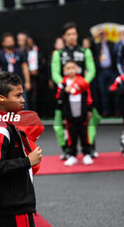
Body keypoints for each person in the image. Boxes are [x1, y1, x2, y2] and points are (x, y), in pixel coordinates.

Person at [0, 72, 42, 227]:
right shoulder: (0, 129)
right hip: (11, 207)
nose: (22, 100)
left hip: (12, 204)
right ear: (1, 99)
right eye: (18, 96)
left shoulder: (8, 121)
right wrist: (27, 161)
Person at [51, 22, 99, 160]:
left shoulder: (85, 51)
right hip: (65, 94)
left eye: (74, 34)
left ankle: (89, 149)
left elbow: (91, 71)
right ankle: (67, 150)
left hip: (83, 94)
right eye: (69, 34)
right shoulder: (58, 54)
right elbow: (55, 74)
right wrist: (66, 85)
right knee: (60, 124)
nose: (72, 37)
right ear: (64, 37)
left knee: (89, 122)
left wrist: (80, 85)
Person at [56, 60, 94, 166]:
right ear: (64, 70)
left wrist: (89, 110)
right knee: (71, 135)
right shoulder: (62, 83)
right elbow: (58, 97)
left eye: (73, 67)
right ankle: (72, 155)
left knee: (84, 134)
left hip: (82, 113)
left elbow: (89, 97)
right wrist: (65, 91)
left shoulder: (82, 81)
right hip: (69, 114)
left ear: (77, 69)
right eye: (68, 68)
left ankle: (86, 154)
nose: (70, 70)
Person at [0, 33, 31, 108]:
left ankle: (24, 119)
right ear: (3, 43)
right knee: (7, 103)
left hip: (19, 82)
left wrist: (27, 81)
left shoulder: (20, 53)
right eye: (8, 41)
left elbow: (25, 68)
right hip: (5, 83)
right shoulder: (0, 55)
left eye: (11, 41)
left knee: (23, 103)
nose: (10, 43)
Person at [91, 28, 118, 116]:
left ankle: (117, 111)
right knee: (103, 92)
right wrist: (94, 37)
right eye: (100, 34)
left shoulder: (111, 44)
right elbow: (91, 49)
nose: (101, 35)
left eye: (103, 33)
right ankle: (105, 111)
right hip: (101, 72)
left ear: (106, 34)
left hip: (111, 71)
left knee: (115, 91)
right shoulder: (97, 45)